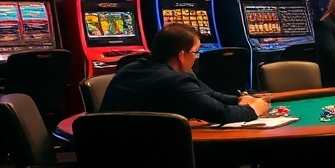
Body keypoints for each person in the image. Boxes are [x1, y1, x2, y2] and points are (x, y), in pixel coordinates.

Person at [101, 23, 270, 124]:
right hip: (151, 161)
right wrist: (255, 109)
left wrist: (238, 100)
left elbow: (209, 94)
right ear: (182, 55)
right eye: (195, 52)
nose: (196, 57)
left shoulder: (130, 68)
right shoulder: (175, 82)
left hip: (109, 156)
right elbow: (220, 113)